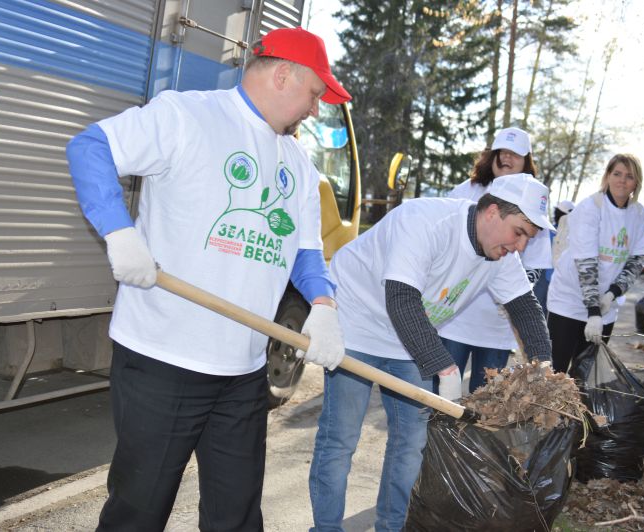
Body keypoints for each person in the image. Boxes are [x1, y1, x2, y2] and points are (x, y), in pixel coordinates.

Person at [66, 27, 350, 531]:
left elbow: (306, 253)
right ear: (283, 73)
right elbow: (90, 147)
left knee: (237, 516)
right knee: (138, 511)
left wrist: (324, 307)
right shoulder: (186, 115)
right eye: (315, 94)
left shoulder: (300, 166)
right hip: (162, 359)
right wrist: (118, 231)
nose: (315, 108)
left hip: (242, 371)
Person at [309, 173, 554, 531]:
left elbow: (527, 311)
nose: (519, 246)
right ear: (491, 212)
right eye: (518, 232)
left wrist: (544, 373)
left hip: (408, 338)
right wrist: (445, 368)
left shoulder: (500, 256)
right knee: (341, 439)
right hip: (356, 323)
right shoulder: (426, 222)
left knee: (411, 443)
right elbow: (402, 299)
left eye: (527, 239)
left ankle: (392, 528)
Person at [436, 127, 553, 393]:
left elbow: (535, 266)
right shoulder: (465, 191)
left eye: (515, 154)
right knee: (442, 400)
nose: (506, 159)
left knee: (485, 402)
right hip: (456, 319)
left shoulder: (533, 204)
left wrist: (510, 298)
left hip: (496, 326)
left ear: (527, 161)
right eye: (502, 152)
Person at [546, 154, 644, 373]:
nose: (622, 180)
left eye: (629, 176)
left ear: (636, 183)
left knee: (585, 374)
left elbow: (636, 260)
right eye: (617, 174)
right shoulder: (591, 207)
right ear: (607, 176)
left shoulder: (638, 213)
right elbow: (586, 264)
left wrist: (612, 293)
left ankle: (575, 409)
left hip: (605, 305)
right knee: (555, 373)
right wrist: (593, 312)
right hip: (569, 300)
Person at [534, 199, 575, 313]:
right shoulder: (573, 235)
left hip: (546, 276)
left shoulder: (547, 230)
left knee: (538, 308)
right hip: (556, 278)